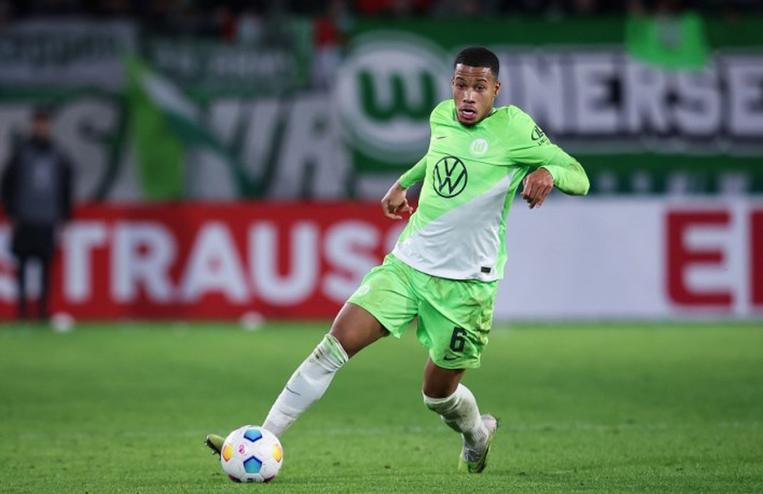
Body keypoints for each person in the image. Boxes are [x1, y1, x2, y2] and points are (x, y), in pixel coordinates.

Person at [205, 47, 589, 473]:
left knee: (437, 396)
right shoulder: (442, 116)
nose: (467, 96)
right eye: (461, 84)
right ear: (452, 85)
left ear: (495, 90)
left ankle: (477, 433)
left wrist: (549, 173)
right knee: (333, 346)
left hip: (467, 287)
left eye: (479, 87)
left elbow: (579, 173)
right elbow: (438, 155)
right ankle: (262, 440)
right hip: (407, 267)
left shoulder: (515, 129)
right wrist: (403, 183)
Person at [1, 107, 74, 321]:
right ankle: (22, 310)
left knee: (46, 266)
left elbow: (66, 187)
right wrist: (11, 212)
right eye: (39, 123)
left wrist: (65, 216)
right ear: (33, 125)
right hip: (24, 218)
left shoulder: (59, 156)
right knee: (22, 264)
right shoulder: (21, 154)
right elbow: (6, 185)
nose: (42, 127)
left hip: (48, 218)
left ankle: (43, 310)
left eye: (46, 123)